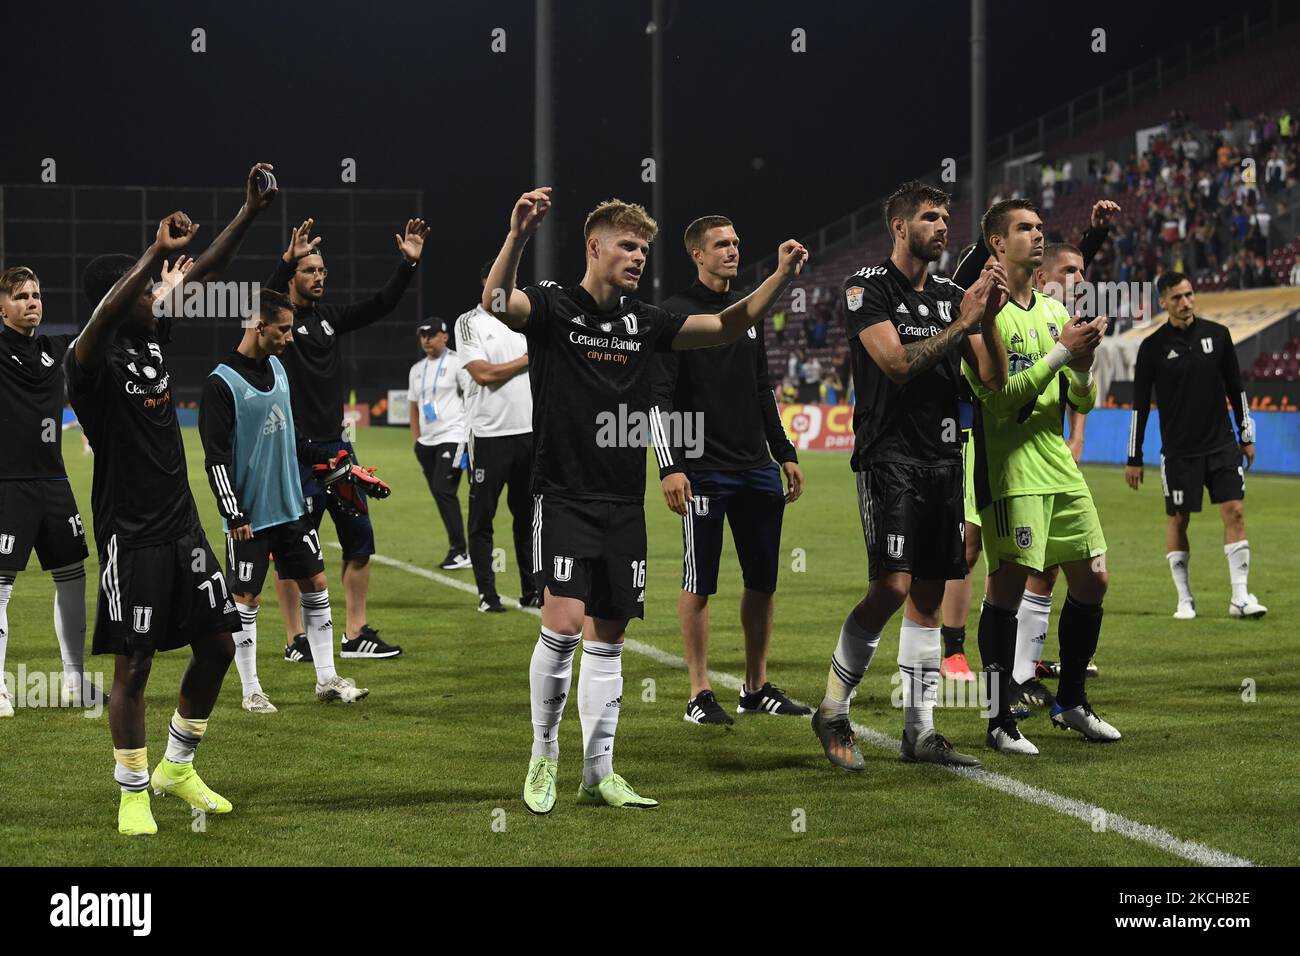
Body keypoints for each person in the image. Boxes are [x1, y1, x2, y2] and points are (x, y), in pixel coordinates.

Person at [483, 186, 806, 814]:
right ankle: (543, 757)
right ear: (594, 247)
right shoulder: (553, 306)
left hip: (622, 502)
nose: (636, 257)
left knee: (609, 637)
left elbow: (729, 324)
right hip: (563, 495)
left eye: (643, 249)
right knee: (564, 625)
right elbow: (496, 301)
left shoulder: (644, 321)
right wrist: (518, 234)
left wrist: (778, 277)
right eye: (627, 246)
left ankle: (599, 772)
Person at [67, 163, 272, 836]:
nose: (159, 291)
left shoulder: (154, 333)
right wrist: (153, 252)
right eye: (146, 287)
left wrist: (247, 212)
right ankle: (132, 788)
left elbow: (207, 268)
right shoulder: (88, 362)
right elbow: (100, 319)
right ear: (119, 300)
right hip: (131, 533)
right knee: (136, 663)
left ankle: (178, 764)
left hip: (180, 524)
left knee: (217, 642)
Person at [812, 181, 1009, 773]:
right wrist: (960, 324)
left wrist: (988, 320)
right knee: (892, 587)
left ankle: (919, 732)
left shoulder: (954, 294)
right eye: (930, 216)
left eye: (946, 217)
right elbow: (896, 365)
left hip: (945, 460)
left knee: (927, 595)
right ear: (899, 227)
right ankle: (832, 708)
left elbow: (993, 377)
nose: (943, 226)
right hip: (888, 458)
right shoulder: (866, 289)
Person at [968, 198, 1118, 756]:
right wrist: (1061, 355)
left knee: (1094, 579)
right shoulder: (980, 310)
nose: (1036, 236)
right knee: (1006, 589)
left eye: (1039, 228)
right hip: (1012, 471)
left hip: (1059, 465)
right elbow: (1001, 401)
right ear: (997, 245)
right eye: (1024, 229)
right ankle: (998, 718)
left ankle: (1071, 701)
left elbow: (1082, 398)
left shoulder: (1056, 313)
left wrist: (1080, 366)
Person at [649, 215, 805, 726]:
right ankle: (698, 692)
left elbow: (762, 388)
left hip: (756, 467)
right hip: (703, 469)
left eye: (737, 242)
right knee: (701, 579)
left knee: (763, 580)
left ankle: (755, 687)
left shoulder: (747, 314)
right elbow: (659, 397)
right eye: (722, 244)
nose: (733, 251)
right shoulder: (672, 314)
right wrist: (670, 467)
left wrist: (784, 452)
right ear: (697, 253)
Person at [199, 289, 369, 714]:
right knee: (246, 598)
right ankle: (251, 689)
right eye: (284, 329)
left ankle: (327, 679)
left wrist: (324, 456)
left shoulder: (277, 368)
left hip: (290, 506)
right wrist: (232, 511)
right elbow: (215, 458)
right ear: (260, 327)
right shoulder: (221, 384)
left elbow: (289, 436)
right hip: (249, 517)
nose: (291, 337)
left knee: (315, 581)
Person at [266, 216, 426, 663]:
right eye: (309, 271)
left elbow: (380, 305)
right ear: (293, 277)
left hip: (339, 451)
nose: (318, 278)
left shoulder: (330, 319)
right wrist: (284, 261)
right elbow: (264, 298)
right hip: (294, 454)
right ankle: (295, 638)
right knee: (290, 548)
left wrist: (407, 266)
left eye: (321, 271)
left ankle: (355, 634)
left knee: (360, 541)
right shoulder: (278, 325)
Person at [1126, 272, 1263, 619]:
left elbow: (1237, 388)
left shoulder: (1218, 336)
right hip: (1179, 453)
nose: (1185, 303)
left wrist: (1246, 435)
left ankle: (1241, 598)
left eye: (1189, 295)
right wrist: (1134, 456)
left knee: (1235, 511)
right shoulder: (1152, 348)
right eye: (1177, 298)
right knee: (1178, 520)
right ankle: (1184, 599)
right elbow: (1139, 406)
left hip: (1221, 445)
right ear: (1163, 302)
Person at [0, 266, 94, 717]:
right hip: (9, 486)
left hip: (55, 483)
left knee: (73, 578)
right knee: (1, 588)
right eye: (20, 296)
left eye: (36, 294)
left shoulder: (56, 350)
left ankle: (75, 680)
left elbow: (105, 323)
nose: (32, 301)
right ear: (2, 308)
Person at [455, 262, 535, 612]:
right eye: (499, 281)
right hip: (489, 434)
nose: (505, 287)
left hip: (529, 434)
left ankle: (532, 590)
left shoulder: (524, 321)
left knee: (529, 515)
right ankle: (488, 594)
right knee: (482, 517)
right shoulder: (469, 322)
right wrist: (528, 360)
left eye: (511, 282)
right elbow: (483, 373)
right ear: (486, 284)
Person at [408, 319, 472, 571]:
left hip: (454, 436)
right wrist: (417, 441)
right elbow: (413, 406)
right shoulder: (416, 369)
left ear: (445, 336)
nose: (426, 339)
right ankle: (458, 549)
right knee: (440, 493)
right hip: (427, 442)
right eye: (423, 335)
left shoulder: (458, 362)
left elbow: (471, 397)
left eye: (432, 334)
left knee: (443, 489)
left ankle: (460, 551)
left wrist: (468, 437)